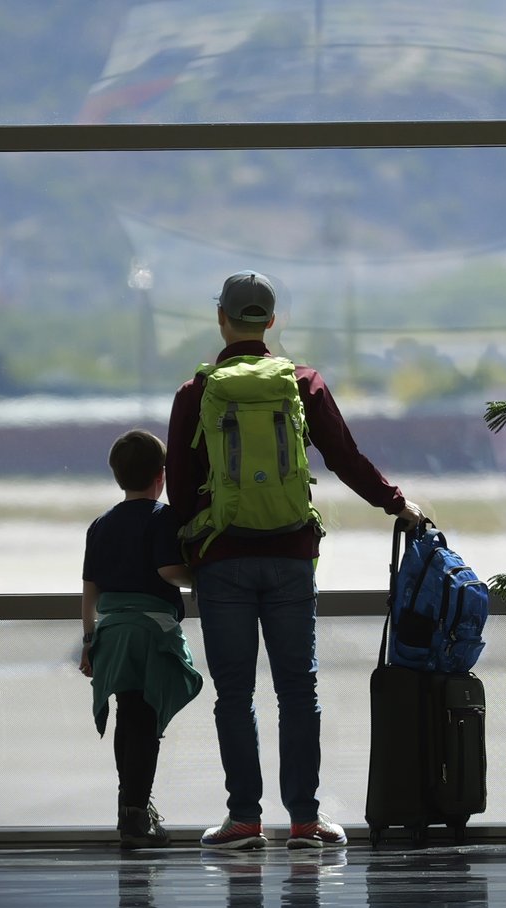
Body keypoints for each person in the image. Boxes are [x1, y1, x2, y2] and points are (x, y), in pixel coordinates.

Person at [166, 270, 424, 851]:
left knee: (234, 694)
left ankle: (243, 821)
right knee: (297, 692)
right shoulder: (302, 383)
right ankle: (305, 822)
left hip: (222, 558)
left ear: (222, 320)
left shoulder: (196, 392)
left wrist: (193, 553)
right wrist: (396, 504)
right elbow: (345, 458)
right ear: (272, 322)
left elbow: (180, 491)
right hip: (289, 555)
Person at [81, 428, 204, 849]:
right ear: (161, 476)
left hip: (112, 634)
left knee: (126, 714)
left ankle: (129, 806)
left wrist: (88, 642)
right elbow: (169, 571)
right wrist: (200, 579)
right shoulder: (162, 518)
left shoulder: (100, 525)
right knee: (145, 720)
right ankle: (136, 815)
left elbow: (90, 592)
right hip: (149, 634)